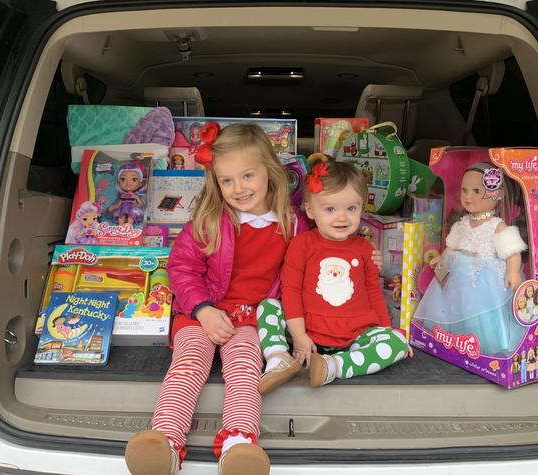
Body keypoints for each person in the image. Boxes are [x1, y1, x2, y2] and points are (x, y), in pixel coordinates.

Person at [123, 123, 308, 475]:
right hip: (200, 313)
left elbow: (310, 265)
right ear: (216, 183)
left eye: (247, 176)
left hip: (252, 318)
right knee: (189, 362)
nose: (238, 189)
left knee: (243, 368)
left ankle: (238, 446)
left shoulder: (292, 223)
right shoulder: (210, 220)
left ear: (269, 172)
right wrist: (203, 309)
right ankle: (164, 442)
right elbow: (181, 267)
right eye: (227, 181)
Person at [257, 158, 411, 394]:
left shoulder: (365, 249)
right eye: (330, 209)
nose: (342, 217)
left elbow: (373, 292)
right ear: (310, 210)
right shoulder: (302, 245)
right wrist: (298, 337)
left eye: (351, 208)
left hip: (354, 335)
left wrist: (387, 329)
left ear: (361, 208)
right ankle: (278, 358)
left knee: (397, 342)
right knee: (268, 306)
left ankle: (334, 367)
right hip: (307, 333)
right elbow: (291, 290)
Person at [412, 163, 528, 356]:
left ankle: (481, 346)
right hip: (456, 276)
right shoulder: (461, 224)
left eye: (476, 191)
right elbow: (451, 247)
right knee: (453, 308)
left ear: (497, 194)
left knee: (480, 313)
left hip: (483, 280)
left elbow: (512, 252)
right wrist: (442, 259)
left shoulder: (496, 226)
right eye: (465, 190)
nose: (468, 196)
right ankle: (455, 343)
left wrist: (513, 272)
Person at [108, 161, 146, 226]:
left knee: (131, 217)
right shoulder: (122, 195)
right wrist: (115, 206)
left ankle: (128, 228)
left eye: (134, 179)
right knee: (121, 216)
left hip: (132, 208)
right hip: (122, 208)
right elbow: (119, 203)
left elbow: (140, 204)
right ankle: (120, 227)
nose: (128, 183)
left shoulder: (135, 196)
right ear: (119, 182)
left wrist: (136, 205)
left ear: (140, 184)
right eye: (123, 179)